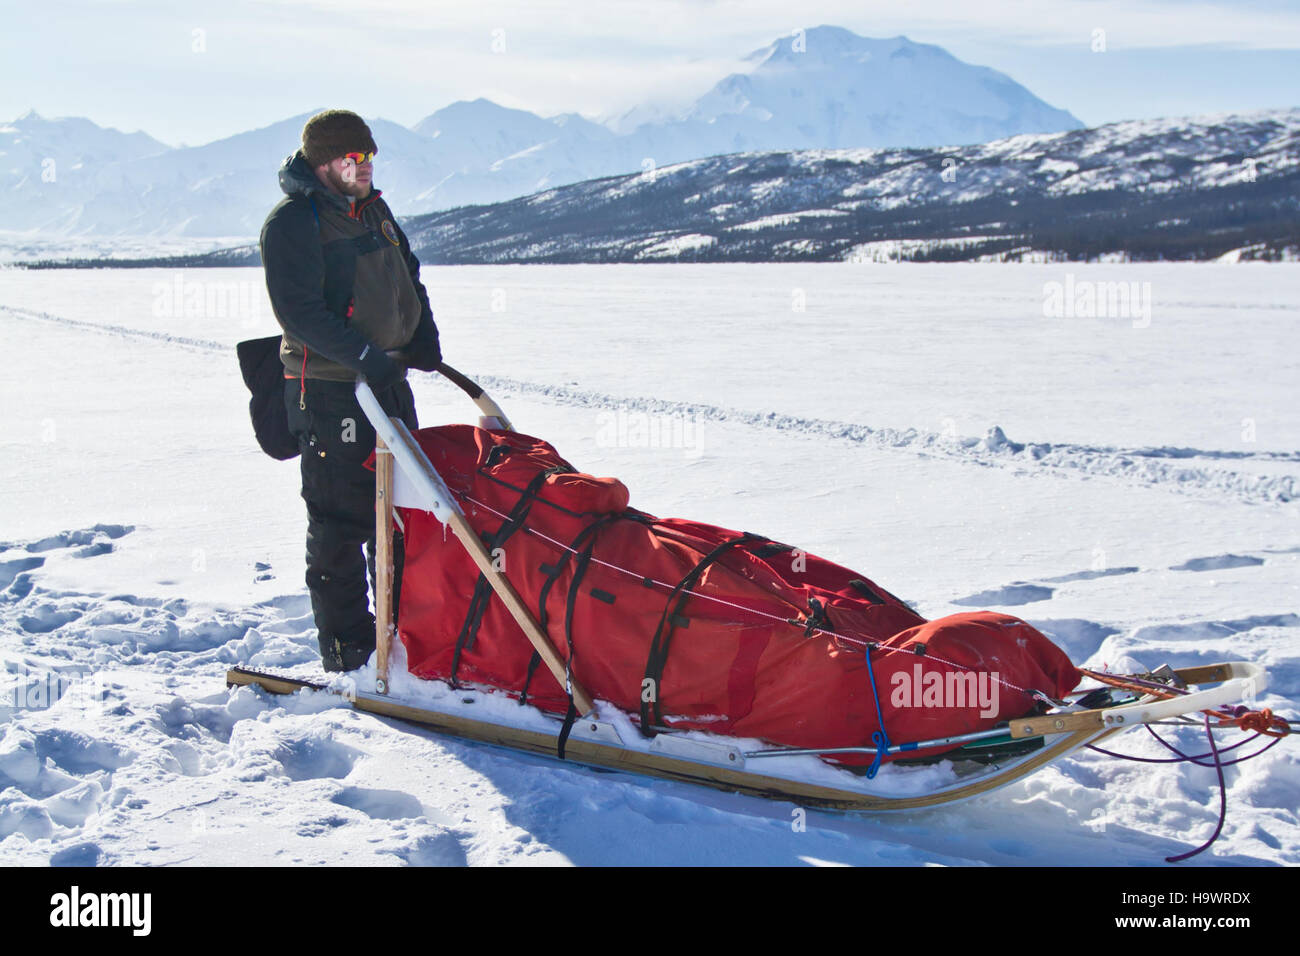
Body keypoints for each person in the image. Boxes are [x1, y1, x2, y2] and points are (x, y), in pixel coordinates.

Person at [260, 109, 441, 672]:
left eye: (368, 158)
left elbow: (408, 275)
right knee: (342, 521)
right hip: (333, 389)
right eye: (351, 160)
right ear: (324, 163)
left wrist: (423, 337)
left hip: (387, 383)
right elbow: (299, 311)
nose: (363, 168)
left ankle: (401, 635)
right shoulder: (295, 221)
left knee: (402, 512)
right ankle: (349, 651)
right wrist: (365, 357)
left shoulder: (375, 210)